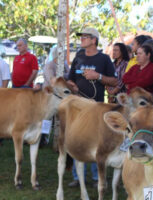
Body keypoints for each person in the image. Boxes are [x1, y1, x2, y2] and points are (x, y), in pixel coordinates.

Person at [67, 27, 117, 187]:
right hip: (78, 107)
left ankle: (97, 177)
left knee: (96, 141)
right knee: (77, 138)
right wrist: (72, 86)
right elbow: (70, 79)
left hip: (96, 107)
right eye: (81, 37)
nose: (81, 39)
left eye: (85, 37)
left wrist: (98, 76)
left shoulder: (104, 59)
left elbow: (114, 81)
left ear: (93, 40)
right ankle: (77, 176)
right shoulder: (78, 57)